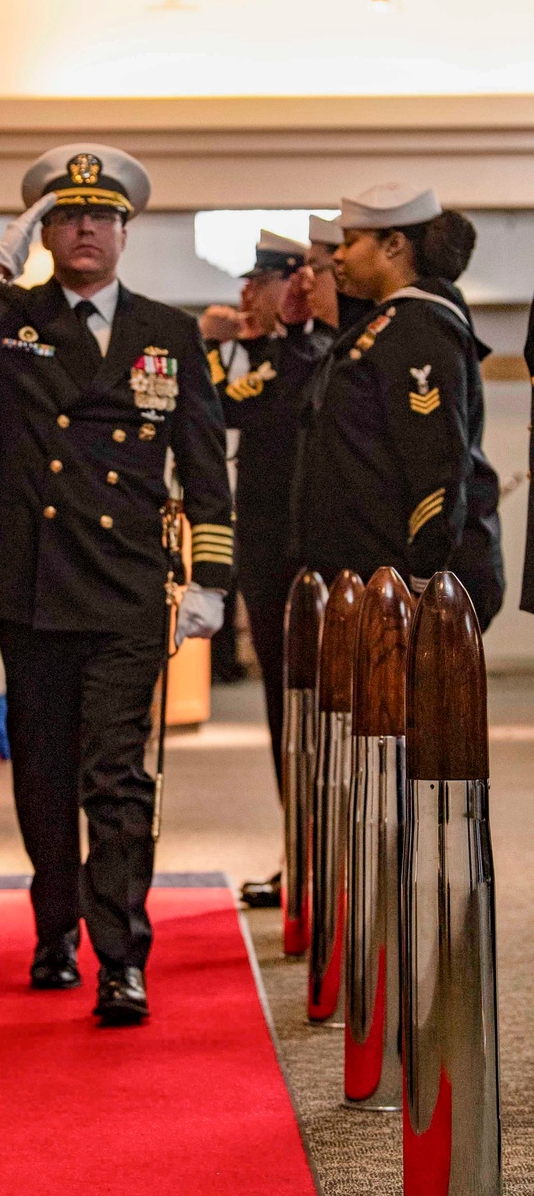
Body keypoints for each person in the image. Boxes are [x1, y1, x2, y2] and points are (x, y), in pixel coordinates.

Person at [0, 143, 233, 1025]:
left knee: (115, 774)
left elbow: (203, 462)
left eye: (101, 216)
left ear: (125, 231)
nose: (86, 227)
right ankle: (55, 931)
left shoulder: (169, 329)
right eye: (66, 215)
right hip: (32, 581)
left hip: (124, 585)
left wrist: (212, 578)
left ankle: (122, 958)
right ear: (46, 231)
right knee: (42, 771)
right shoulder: (8, 315)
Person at [202, 225, 342, 908]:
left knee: (310, 716)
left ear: (299, 284)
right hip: (264, 554)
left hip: (302, 559)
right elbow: (220, 409)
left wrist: (254, 340)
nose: (246, 293)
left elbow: (262, 401)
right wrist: (236, 343)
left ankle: (316, 862)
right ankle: (302, 856)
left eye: (262, 280)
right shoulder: (278, 352)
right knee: (284, 714)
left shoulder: (316, 350)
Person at [295, 184, 504, 625]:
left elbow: (436, 465)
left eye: (351, 242)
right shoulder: (387, 323)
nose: (338, 257)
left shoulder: (421, 325)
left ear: (393, 245)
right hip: (371, 580)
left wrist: (424, 582)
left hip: (402, 586)